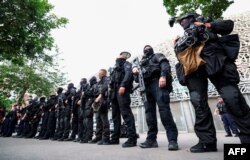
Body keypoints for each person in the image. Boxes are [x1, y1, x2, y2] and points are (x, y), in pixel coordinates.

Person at [174, 13, 250, 152]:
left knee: (232, 98)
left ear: (193, 18)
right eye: (180, 22)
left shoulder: (205, 23)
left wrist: (208, 25)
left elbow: (228, 25)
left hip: (216, 61)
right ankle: (207, 142)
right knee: (198, 102)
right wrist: (179, 44)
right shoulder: (185, 35)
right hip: (194, 68)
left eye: (184, 20)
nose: (182, 23)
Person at [132, 45, 178, 150]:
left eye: (148, 47)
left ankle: (172, 140)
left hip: (157, 82)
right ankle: (151, 140)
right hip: (146, 87)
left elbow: (164, 64)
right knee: (149, 114)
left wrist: (163, 76)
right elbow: (136, 80)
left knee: (164, 111)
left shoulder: (157, 55)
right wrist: (134, 71)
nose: (146, 49)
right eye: (145, 48)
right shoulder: (141, 63)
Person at [109, 51, 137, 148]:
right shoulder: (114, 68)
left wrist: (123, 85)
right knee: (115, 116)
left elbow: (128, 74)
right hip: (114, 93)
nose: (119, 55)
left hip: (122, 90)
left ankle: (132, 138)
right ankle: (115, 138)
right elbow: (111, 81)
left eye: (121, 54)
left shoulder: (127, 64)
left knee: (126, 113)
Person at [90, 69, 111, 145]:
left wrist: (100, 95)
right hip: (98, 102)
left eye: (99, 73)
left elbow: (105, 88)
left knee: (104, 120)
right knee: (98, 120)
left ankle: (106, 138)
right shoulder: (99, 82)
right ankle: (98, 137)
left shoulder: (107, 79)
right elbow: (95, 92)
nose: (98, 75)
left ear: (103, 73)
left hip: (104, 101)